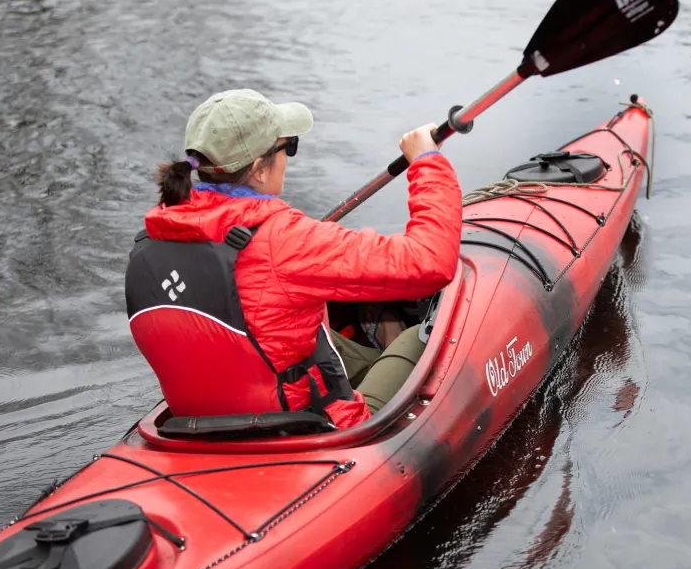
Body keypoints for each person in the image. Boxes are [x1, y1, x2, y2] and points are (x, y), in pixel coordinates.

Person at [124, 89, 462, 430]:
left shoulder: (156, 234)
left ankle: (374, 357)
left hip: (204, 420)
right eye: (289, 147)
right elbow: (431, 260)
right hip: (304, 427)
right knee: (420, 335)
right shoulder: (287, 239)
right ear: (258, 170)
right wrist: (426, 162)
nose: (289, 156)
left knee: (315, 334)